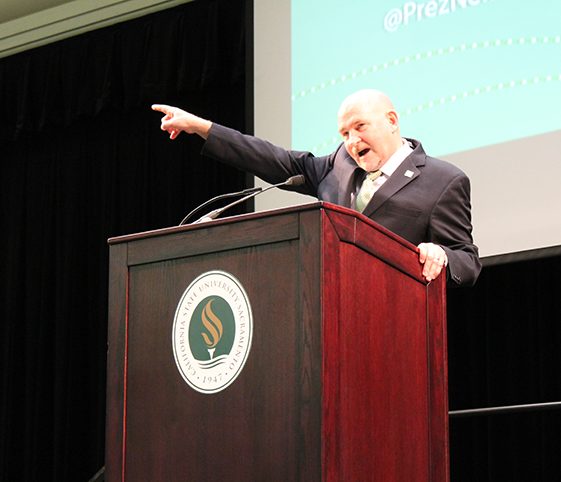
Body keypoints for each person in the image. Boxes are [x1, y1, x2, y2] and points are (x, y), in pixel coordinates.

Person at [152, 89, 481, 287]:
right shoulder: (338, 164)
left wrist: (442, 255)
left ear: (392, 121)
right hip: (327, 315)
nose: (352, 142)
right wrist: (202, 127)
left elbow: (467, 261)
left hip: (394, 323)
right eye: (344, 134)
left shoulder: (443, 180)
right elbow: (275, 159)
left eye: (360, 127)